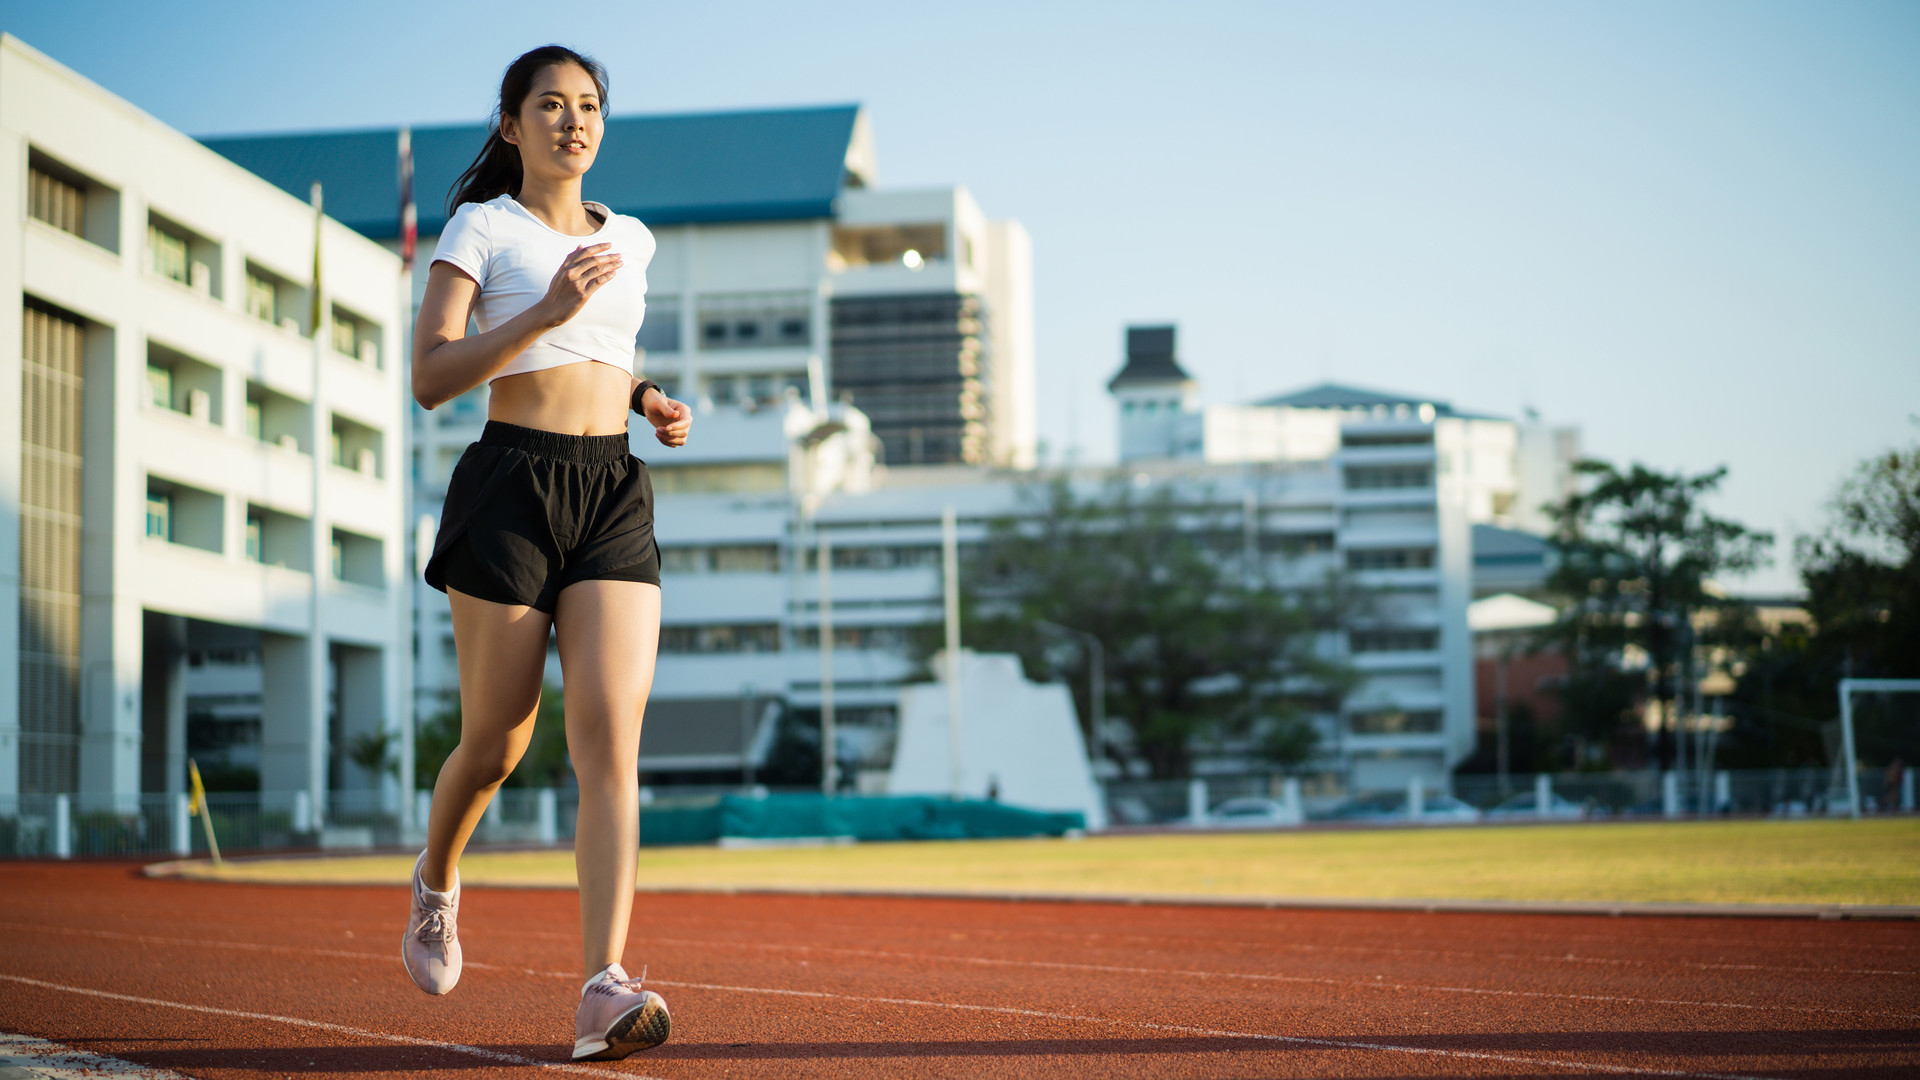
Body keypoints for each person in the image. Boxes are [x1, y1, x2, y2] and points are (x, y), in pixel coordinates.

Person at [400, 44, 690, 1062]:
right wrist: (547, 310)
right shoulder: (481, 228)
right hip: (510, 488)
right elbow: (431, 376)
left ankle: (603, 989)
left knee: (609, 742)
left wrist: (645, 398)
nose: (573, 121)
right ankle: (437, 881)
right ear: (512, 125)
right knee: (498, 743)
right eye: (550, 105)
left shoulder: (635, 240)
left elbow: (603, 351)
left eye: (588, 105)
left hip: (610, 489)